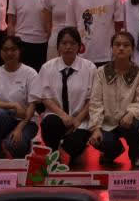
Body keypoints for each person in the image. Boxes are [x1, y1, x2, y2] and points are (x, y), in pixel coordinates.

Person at [88, 31, 139, 166]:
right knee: (98, 140)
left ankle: (137, 154)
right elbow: (95, 102)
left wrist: (131, 113)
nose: (121, 48)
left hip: (129, 121)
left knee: (135, 125)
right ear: (112, 48)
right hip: (107, 123)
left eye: (126, 45)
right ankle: (113, 151)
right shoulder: (101, 72)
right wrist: (96, 127)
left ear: (132, 49)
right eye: (117, 45)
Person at [37, 27, 97, 164]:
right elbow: (45, 97)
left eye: (72, 43)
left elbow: (92, 99)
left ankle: (75, 150)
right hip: (57, 116)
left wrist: (78, 119)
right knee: (49, 124)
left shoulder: (90, 68)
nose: (68, 47)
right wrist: (64, 116)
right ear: (58, 46)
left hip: (80, 119)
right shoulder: (47, 67)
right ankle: (53, 152)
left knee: (74, 145)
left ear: (79, 46)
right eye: (64, 43)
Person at [0, 35, 39, 166]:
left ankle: (25, 145)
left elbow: (32, 106)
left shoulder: (30, 73)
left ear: (20, 51)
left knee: (16, 146)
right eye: (5, 49)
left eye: (13, 49)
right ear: (0, 52)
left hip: (27, 121)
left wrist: (19, 127)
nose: (9, 53)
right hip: (5, 118)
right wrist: (13, 105)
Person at [7, 0, 52, 71]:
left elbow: (50, 23)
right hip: (21, 43)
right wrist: (10, 46)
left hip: (41, 44)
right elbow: (11, 23)